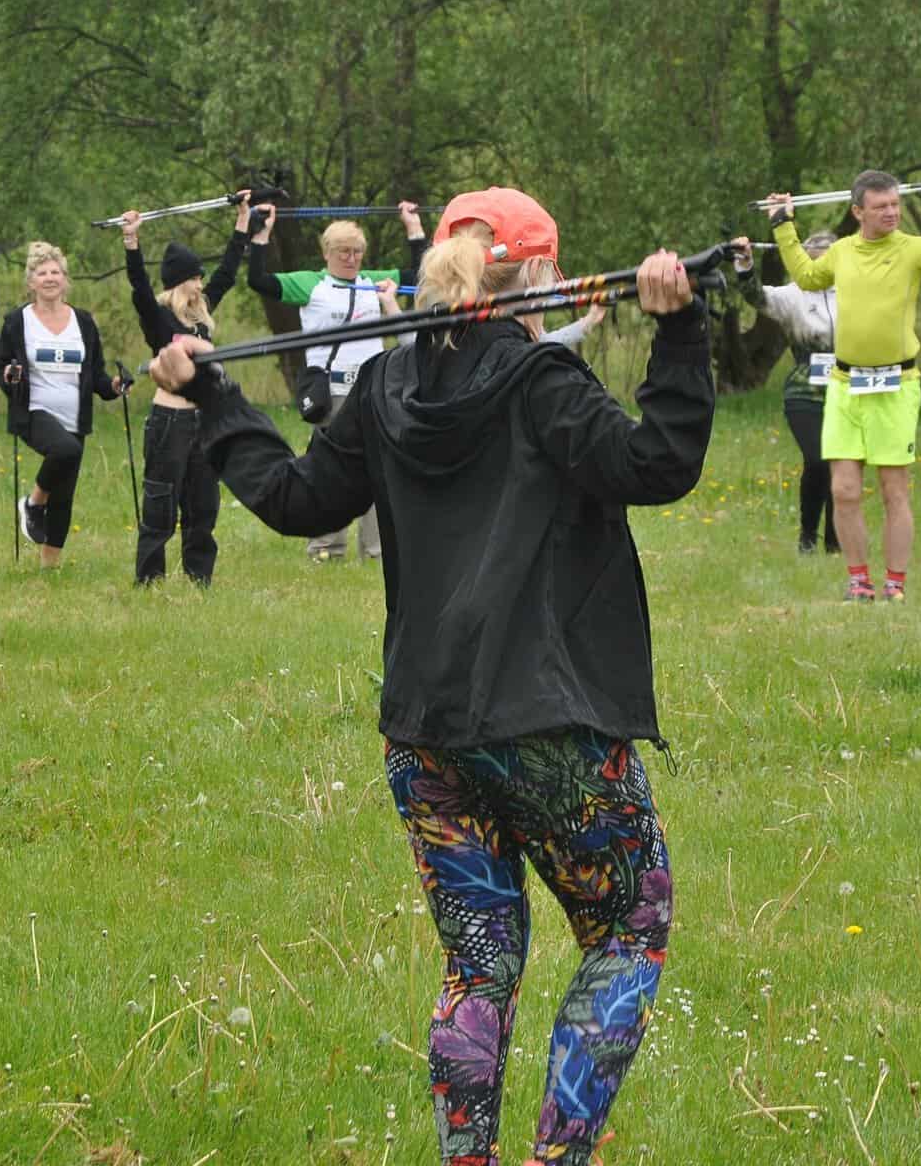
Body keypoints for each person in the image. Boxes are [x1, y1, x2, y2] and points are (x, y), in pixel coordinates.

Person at [150, 186, 708, 1166]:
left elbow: (292, 500)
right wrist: (680, 333)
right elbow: (657, 463)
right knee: (629, 927)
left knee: (477, 967)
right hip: (547, 726)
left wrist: (216, 398)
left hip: (425, 735)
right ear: (537, 274)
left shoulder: (385, 385)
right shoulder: (541, 381)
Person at [764, 167, 921, 601]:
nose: (892, 213)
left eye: (895, 204)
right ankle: (859, 583)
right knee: (843, 490)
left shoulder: (914, 249)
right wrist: (783, 224)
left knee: (894, 491)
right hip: (844, 386)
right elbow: (807, 277)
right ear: (858, 212)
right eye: (881, 207)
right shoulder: (841, 252)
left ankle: (895, 585)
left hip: (895, 386)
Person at [246, 200, 428, 561]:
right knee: (329, 471)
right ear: (327, 252)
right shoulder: (311, 284)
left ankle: (376, 551)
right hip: (332, 391)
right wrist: (261, 236)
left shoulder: (372, 282)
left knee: (378, 469)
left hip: (371, 388)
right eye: (344, 251)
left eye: (357, 252)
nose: (351, 258)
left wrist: (414, 227)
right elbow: (259, 281)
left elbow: (420, 274)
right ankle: (326, 548)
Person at [119, 198, 253, 585]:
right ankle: (150, 580)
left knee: (204, 502)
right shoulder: (159, 318)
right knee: (161, 500)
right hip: (170, 420)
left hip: (204, 419)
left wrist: (242, 221)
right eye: (194, 278)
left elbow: (227, 273)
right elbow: (140, 289)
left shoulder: (201, 315)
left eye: (199, 278)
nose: (200, 284)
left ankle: (199, 579)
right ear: (179, 281)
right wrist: (132, 242)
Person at [0, 242, 127, 569]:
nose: (50, 278)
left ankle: (49, 569)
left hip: (74, 416)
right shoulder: (18, 321)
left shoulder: (83, 321)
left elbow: (95, 374)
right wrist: (9, 375)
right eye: (42, 273)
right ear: (31, 282)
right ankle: (32, 504)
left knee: (64, 496)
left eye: (56, 272)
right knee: (66, 450)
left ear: (66, 280)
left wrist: (113, 386)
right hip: (34, 411)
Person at [730, 232, 841, 554]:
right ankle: (807, 536)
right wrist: (745, 264)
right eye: (817, 262)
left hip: (847, 388)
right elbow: (755, 296)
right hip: (805, 389)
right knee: (817, 460)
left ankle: (836, 542)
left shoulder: (855, 292)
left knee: (842, 464)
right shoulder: (794, 295)